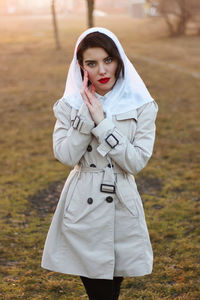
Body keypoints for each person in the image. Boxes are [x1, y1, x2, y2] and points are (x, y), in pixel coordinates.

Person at [41, 27, 158, 300]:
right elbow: (66, 156)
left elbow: (136, 161)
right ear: (81, 67)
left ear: (119, 60)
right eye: (91, 63)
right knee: (100, 293)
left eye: (108, 60)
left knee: (113, 288)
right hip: (83, 204)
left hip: (122, 203)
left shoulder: (142, 104)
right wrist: (86, 116)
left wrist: (103, 124)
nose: (102, 70)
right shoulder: (69, 105)